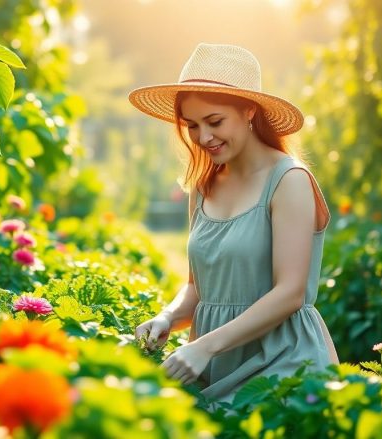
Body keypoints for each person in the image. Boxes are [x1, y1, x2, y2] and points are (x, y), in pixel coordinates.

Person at [130, 44, 338, 406]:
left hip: (282, 360)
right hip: (216, 361)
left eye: (214, 122)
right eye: (192, 126)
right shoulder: (203, 183)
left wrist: (204, 347)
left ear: (249, 111)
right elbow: (199, 288)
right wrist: (167, 317)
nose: (203, 137)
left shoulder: (288, 180)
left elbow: (289, 294)